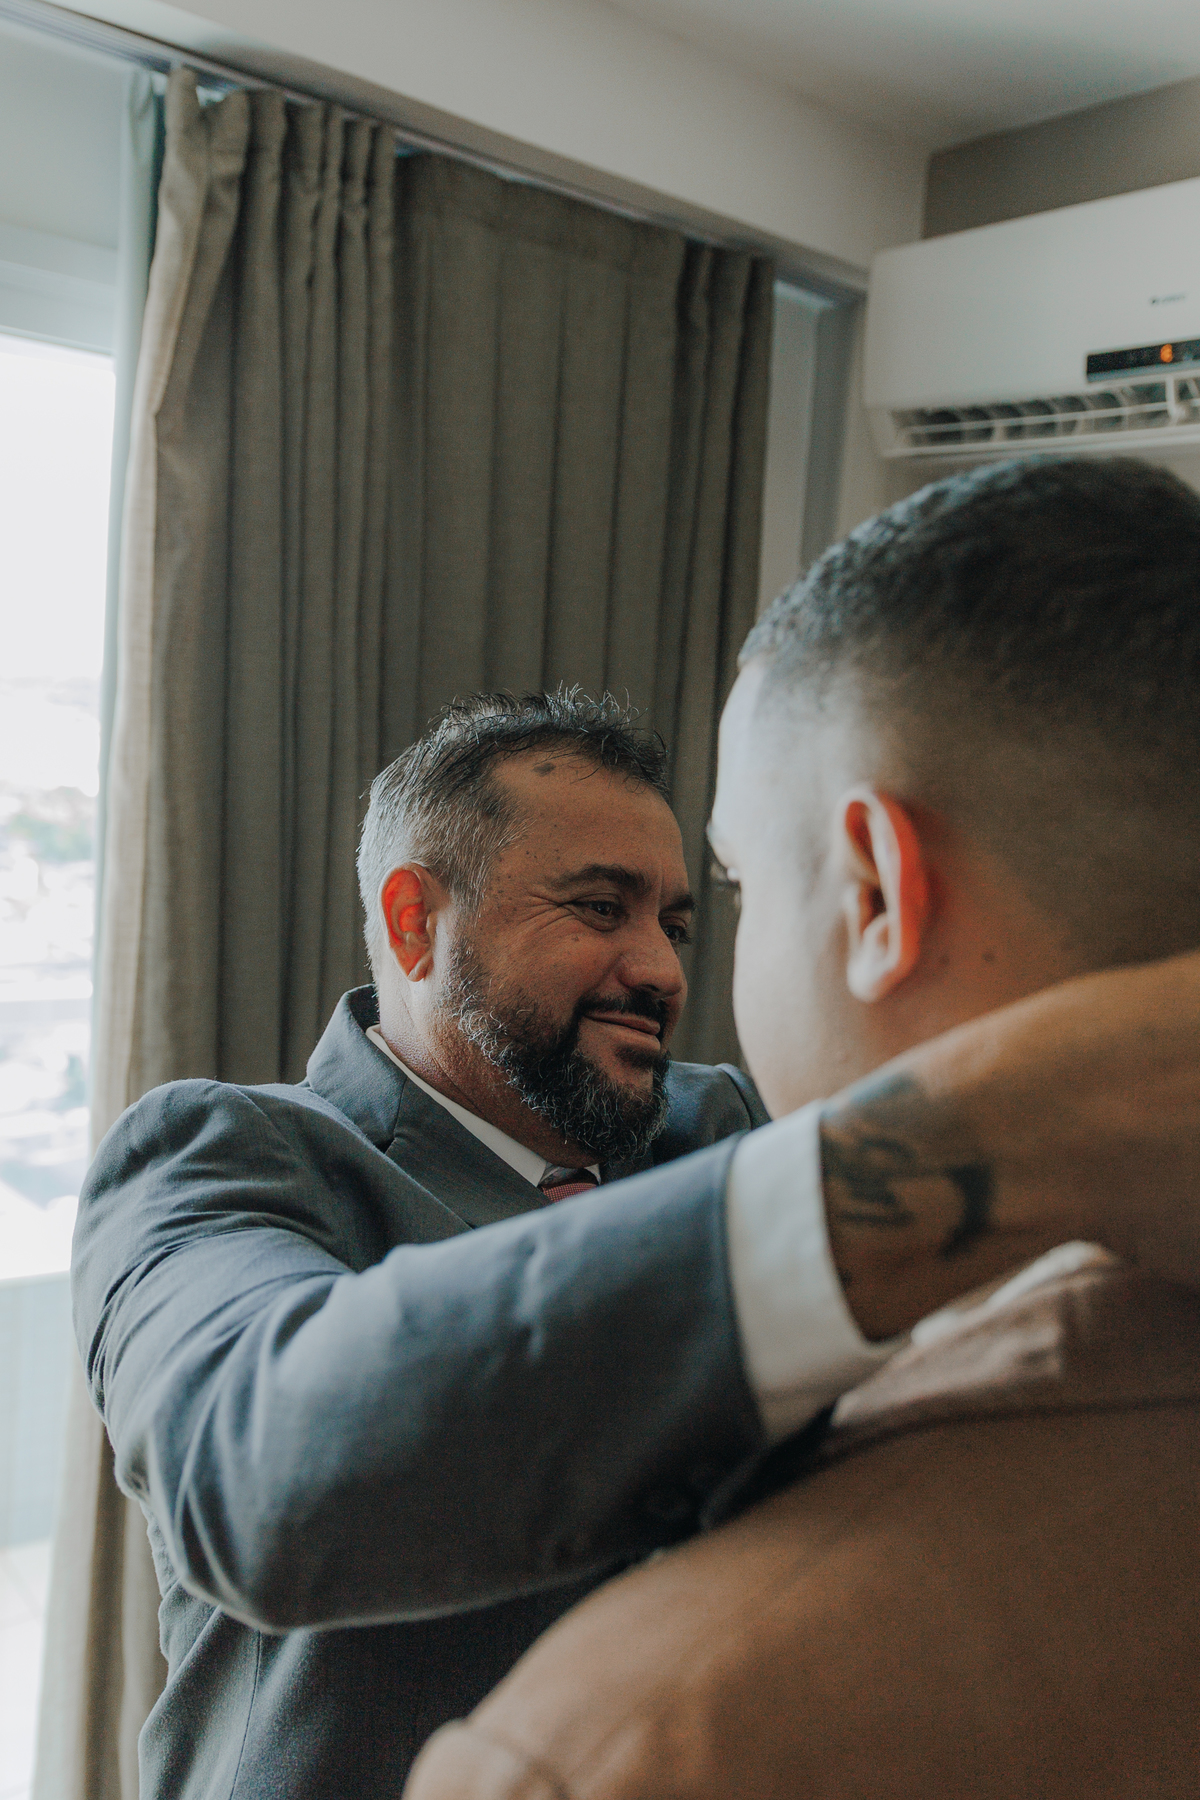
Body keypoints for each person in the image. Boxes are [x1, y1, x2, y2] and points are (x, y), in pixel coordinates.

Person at [75, 658, 1200, 1796]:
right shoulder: (219, 1152)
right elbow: (258, 1471)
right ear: (416, 924)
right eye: (598, 908)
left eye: (676, 923)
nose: (661, 970)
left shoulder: (730, 1125)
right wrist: (988, 1135)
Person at [403, 454, 1200, 1800]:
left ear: (877, 891)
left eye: (729, 889)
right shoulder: (234, 1155)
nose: (668, 972)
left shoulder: (634, 1740)